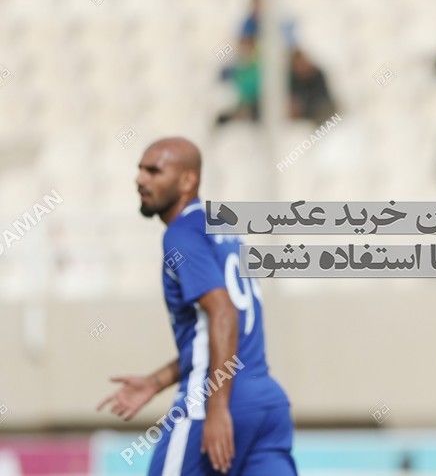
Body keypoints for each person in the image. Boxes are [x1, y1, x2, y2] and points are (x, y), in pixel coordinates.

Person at [97, 137, 296, 475]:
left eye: (154, 171)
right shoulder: (223, 229)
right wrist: (156, 381)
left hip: (215, 397)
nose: (140, 179)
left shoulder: (181, 234)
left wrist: (216, 407)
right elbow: (213, 333)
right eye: (140, 169)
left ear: (188, 180)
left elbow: (223, 312)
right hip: (266, 402)